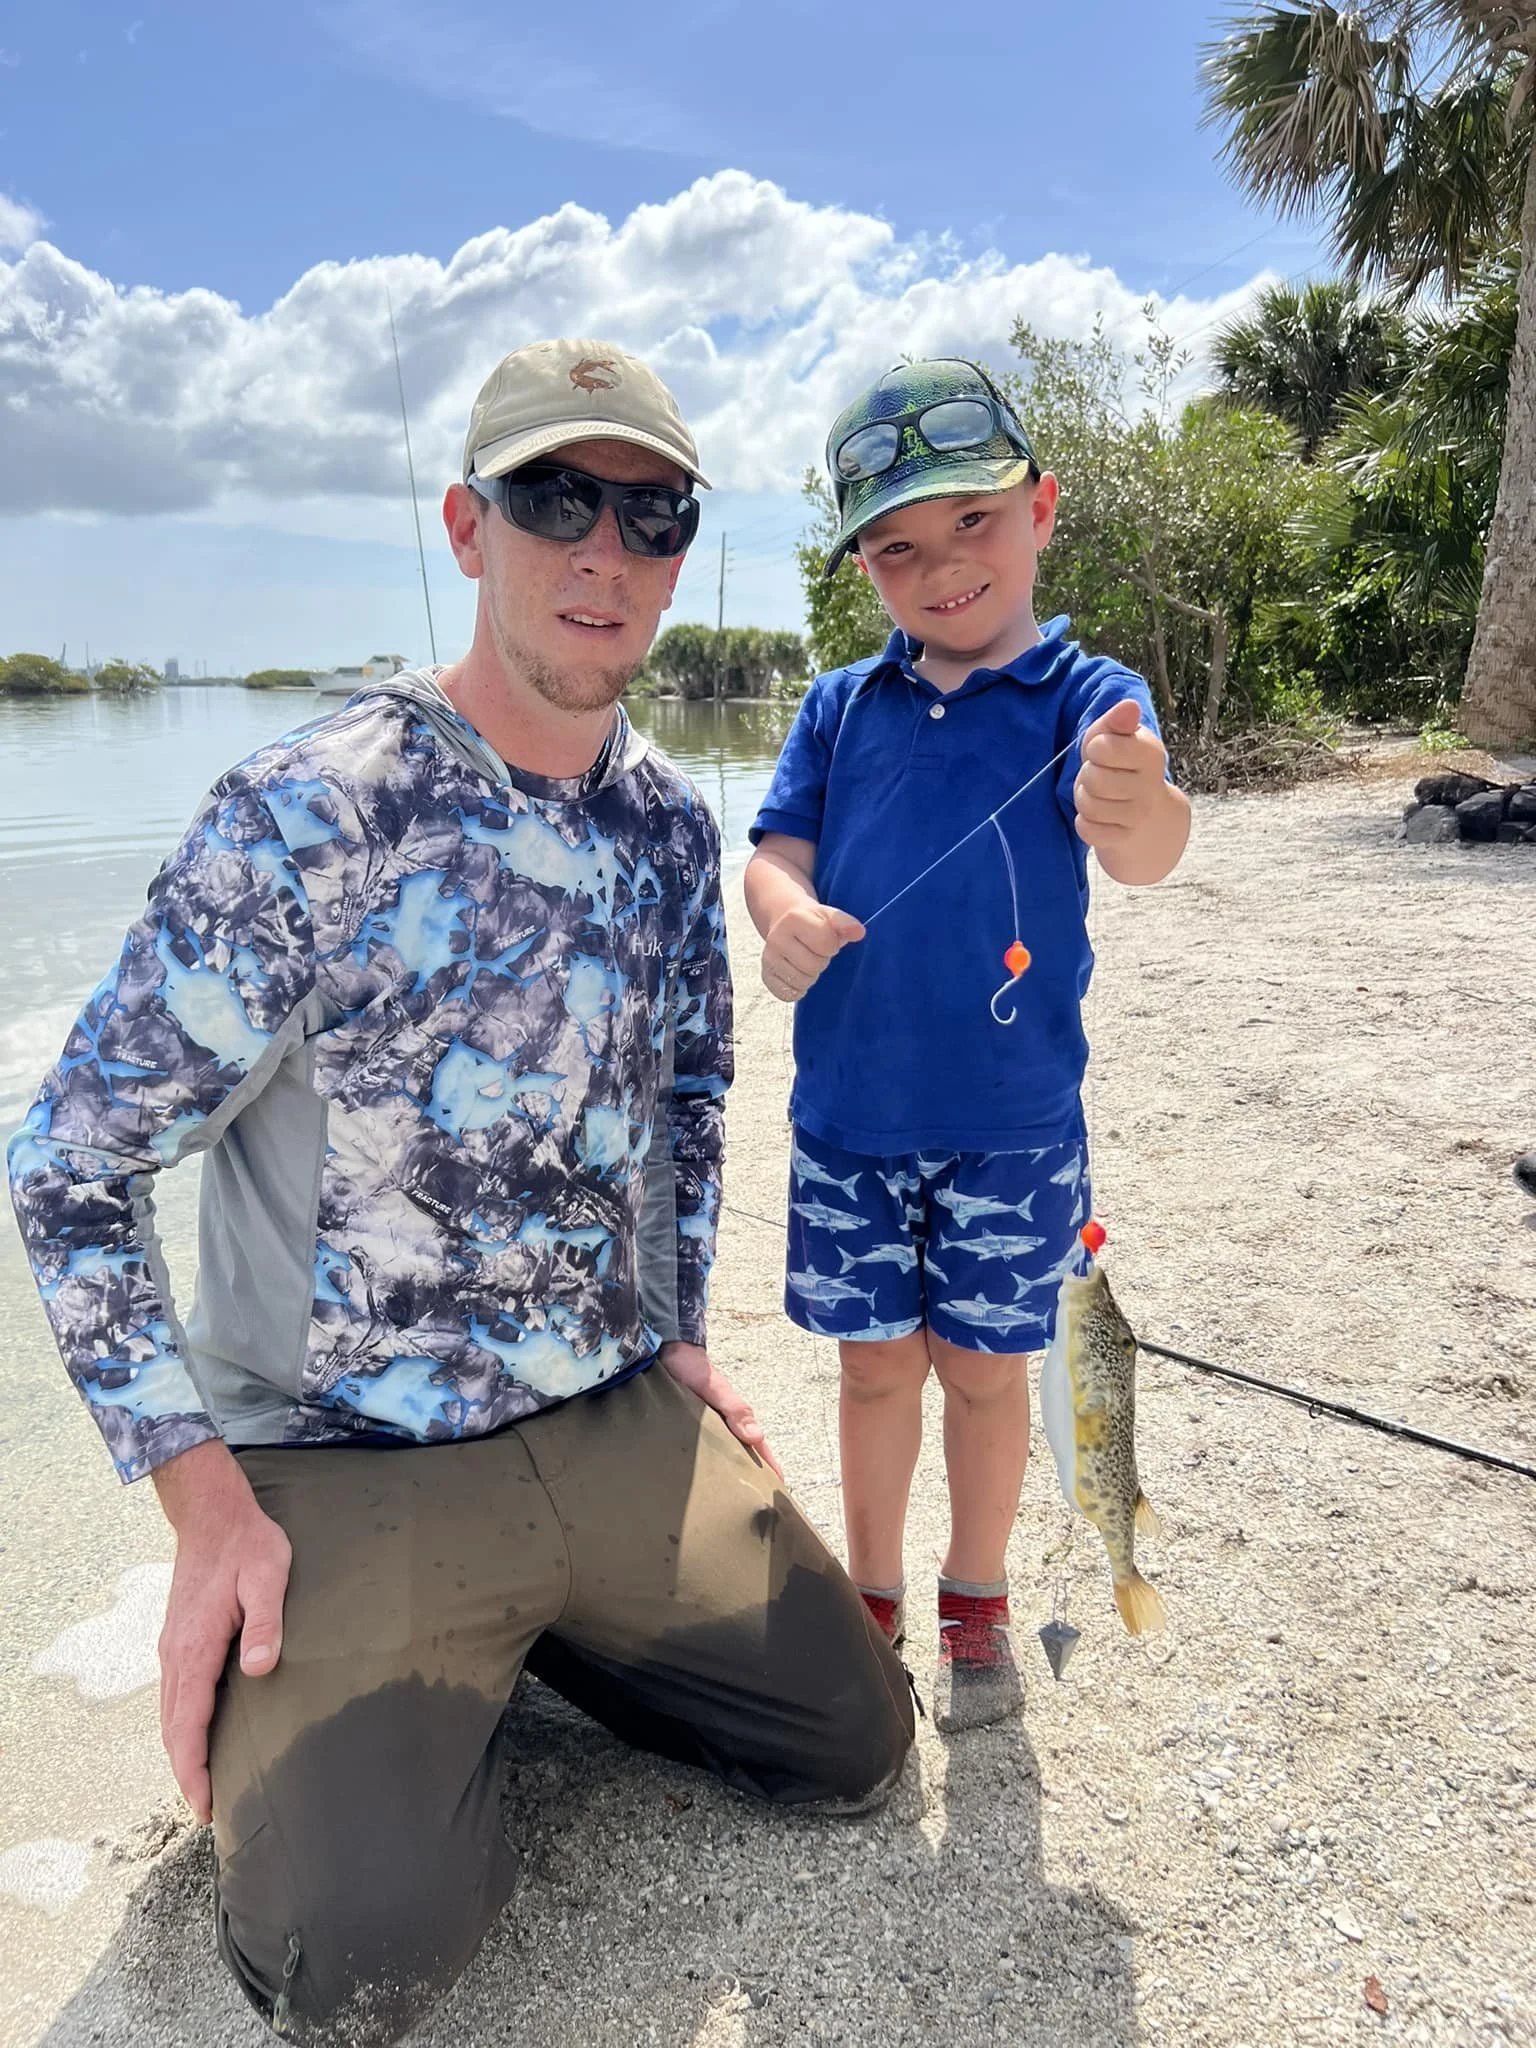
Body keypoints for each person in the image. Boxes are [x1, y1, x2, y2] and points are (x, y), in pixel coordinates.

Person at [8, 338, 913, 2040]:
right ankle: (414, 1714)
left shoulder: (663, 828)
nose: (603, 550)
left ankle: (542, 1641)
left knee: (857, 1746)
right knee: (354, 1963)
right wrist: (201, 1504)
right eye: (556, 498)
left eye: (652, 515)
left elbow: (688, 1100)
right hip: (343, 1459)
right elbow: (67, 1160)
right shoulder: (303, 817)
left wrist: (676, 1339)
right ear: (466, 523)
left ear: (685, 551)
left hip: (602, 1407)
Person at [744, 357, 1191, 1732]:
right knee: (874, 1368)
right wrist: (783, 920)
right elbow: (772, 853)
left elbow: (1152, 846)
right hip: (851, 1125)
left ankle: (976, 1600)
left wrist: (1134, 800)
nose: (942, 569)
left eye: (973, 524)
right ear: (863, 568)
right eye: (898, 546)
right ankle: (869, 1596)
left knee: (991, 1379)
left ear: (1042, 510)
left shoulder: (1084, 694)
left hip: (1017, 1131)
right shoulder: (837, 707)